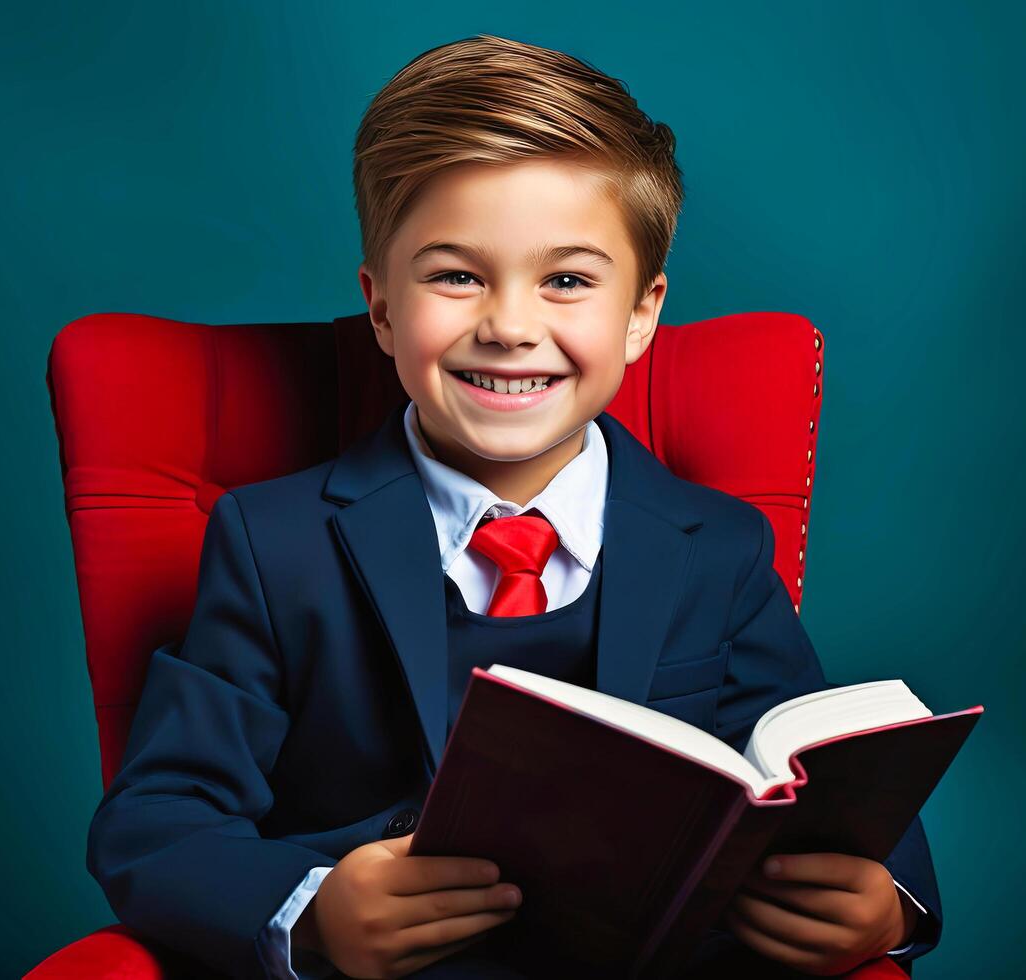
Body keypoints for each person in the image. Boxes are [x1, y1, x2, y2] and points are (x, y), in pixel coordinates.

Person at [87, 33, 939, 980]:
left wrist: (884, 903)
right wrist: (317, 914)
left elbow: (809, 777)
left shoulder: (720, 549)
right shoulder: (271, 543)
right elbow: (157, 823)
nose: (509, 326)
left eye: (567, 280)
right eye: (456, 275)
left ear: (641, 313)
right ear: (380, 309)